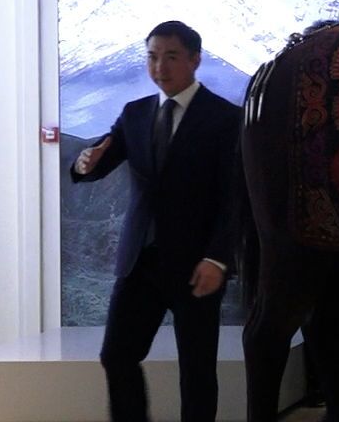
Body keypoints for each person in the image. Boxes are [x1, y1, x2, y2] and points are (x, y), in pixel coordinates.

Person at [70, 21, 243, 422]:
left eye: (170, 57)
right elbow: (98, 162)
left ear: (195, 60)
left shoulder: (224, 119)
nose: (159, 67)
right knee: (116, 356)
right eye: (151, 57)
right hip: (140, 262)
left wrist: (218, 259)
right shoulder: (135, 113)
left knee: (197, 371)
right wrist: (82, 163)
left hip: (196, 264)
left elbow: (235, 199)